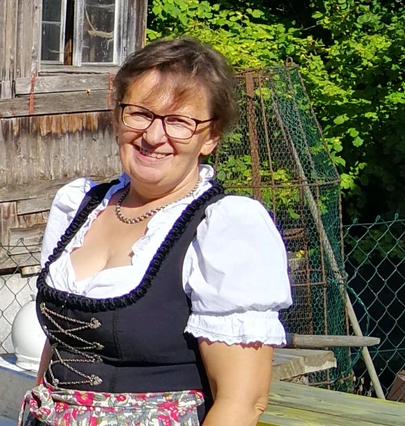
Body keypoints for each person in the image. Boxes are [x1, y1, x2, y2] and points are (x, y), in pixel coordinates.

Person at [20, 38, 293, 426]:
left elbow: (241, 401)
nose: (153, 136)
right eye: (140, 113)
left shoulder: (225, 229)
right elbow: (58, 348)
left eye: (179, 121)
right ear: (118, 118)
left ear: (210, 137)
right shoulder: (78, 207)